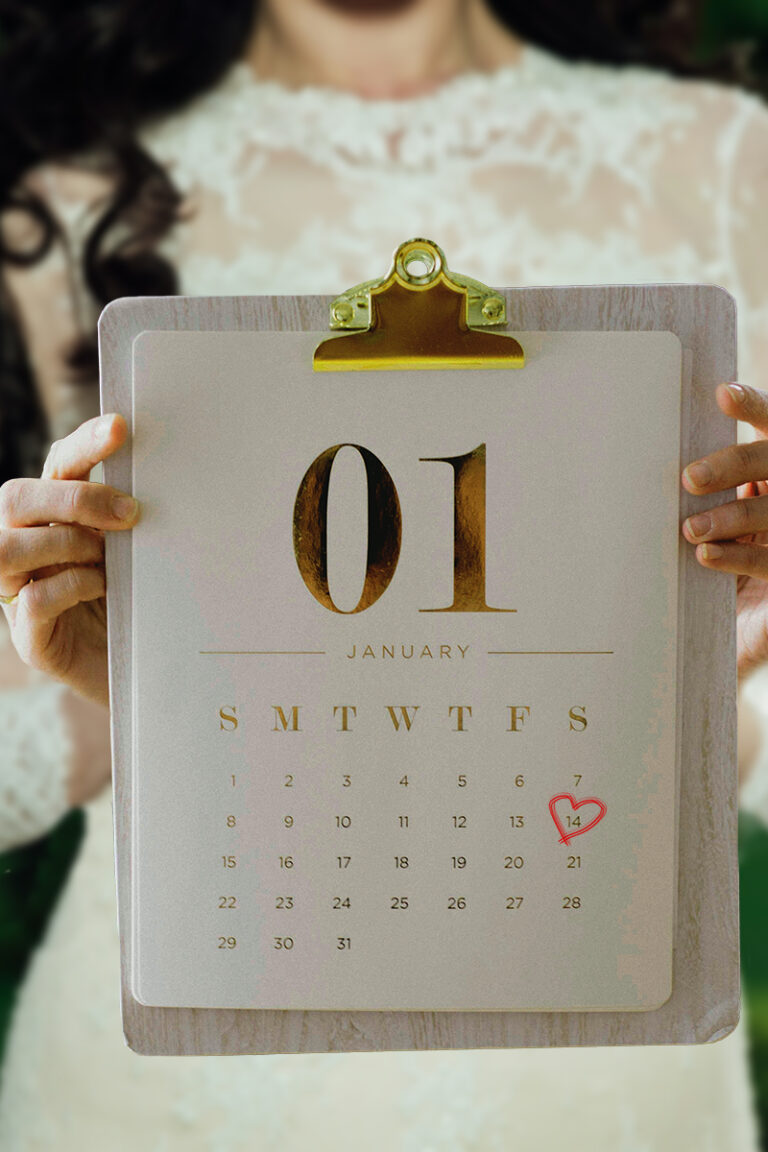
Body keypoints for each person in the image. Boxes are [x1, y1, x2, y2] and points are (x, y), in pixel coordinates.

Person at [0, 0, 767, 1146]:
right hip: (182, 1040)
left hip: (598, 1028)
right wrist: (112, 678)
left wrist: (726, 665)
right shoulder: (73, 196)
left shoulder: (727, 155)